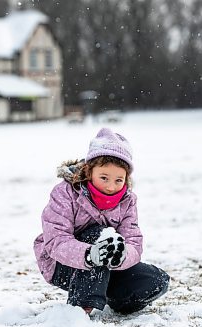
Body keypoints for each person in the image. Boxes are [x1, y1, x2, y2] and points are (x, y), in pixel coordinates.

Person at [33, 128, 170, 315]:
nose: (110, 187)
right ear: (89, 171)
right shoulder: (65, 193)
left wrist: (120, 256)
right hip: (63, 265)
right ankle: (81, 308)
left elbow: (134, 243)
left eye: (118, 180)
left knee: (155, 281)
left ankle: (116, 302)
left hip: (107, 266)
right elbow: (56, 241)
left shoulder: (128, 201)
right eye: (104, 178)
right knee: (99, 233)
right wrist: (90, 255)